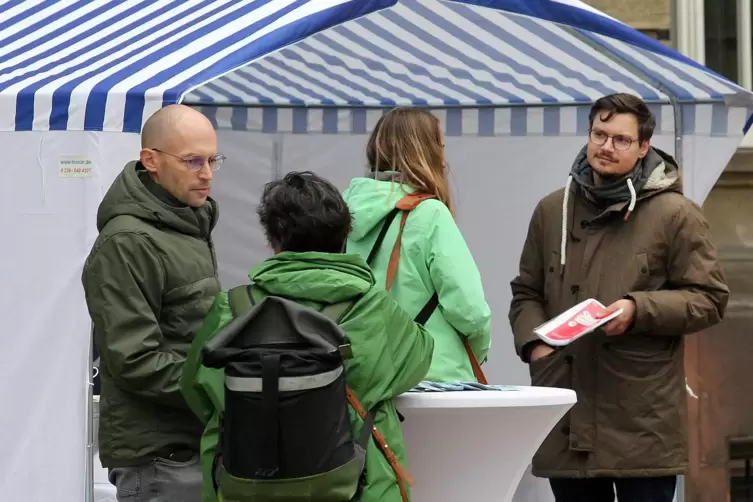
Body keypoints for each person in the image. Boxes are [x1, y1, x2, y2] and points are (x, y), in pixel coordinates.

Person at [509, 93, 729, 502]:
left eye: (620, 139)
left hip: (641, 417)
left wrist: (638, 308)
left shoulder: (676, 214)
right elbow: (526, 291)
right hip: (570, 411)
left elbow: (709, 298)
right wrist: (536, 344)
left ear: (645, 146)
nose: (606, 146)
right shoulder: (552, 210)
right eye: (599, 134)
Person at [181, 171, 435, 502]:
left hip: (245, 487)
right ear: (344, 237)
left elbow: (194, 388)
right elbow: (419, 357)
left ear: (274, 240)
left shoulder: (232, 308)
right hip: (358, 486)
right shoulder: (373, 308)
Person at [82, 104, 224, 502]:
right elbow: (135, 360)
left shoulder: (186, 222)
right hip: (161, 457)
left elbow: (188, 331)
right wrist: (223, 382)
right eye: (193, 161)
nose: (207, 173)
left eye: (214, 159)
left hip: (192, 445)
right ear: (151, 161)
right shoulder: (127, 242)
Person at [343, 107, 491, 383]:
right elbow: (470, 311)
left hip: (366, 377)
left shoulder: (342, 212)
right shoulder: (429, 213)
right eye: (440, 147)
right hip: (434, 375)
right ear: (425, 153)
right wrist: (475, 350)